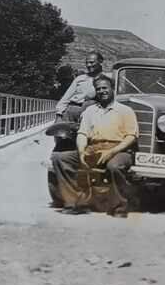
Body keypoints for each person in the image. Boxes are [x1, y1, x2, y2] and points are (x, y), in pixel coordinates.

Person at [47, 75, 138, 217]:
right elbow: (83, 134)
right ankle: (75, 203)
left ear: (112, 89)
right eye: (99, 89)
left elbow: (131, 136)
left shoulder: (125, 110)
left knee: (114, 167)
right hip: (94, 148)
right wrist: (82, 151)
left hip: (119, 149)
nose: (102, 91)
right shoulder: (89, 111)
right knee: (60, 158)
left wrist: (112, 151)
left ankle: (119, 207)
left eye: (105, 88)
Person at [55, 52, 106, 122]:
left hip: (93, 113)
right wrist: (59, 115)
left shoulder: (106, 79)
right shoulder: (80, 78)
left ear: (100, 62)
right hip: (73, 111)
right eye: (87, 63)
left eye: (91, 62)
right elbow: (66, 97)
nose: (88, 65)